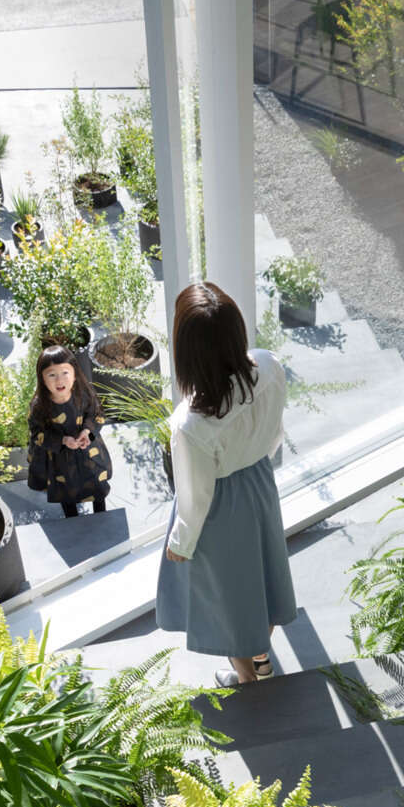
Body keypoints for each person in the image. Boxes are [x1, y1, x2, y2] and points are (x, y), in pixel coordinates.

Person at [155, 282, 297, 685]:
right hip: (259, 484)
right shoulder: (268, 366)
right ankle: (261, 660)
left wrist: (181, 543)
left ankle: (250, 684)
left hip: (219, 511)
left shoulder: (191, 422)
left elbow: (196, 495)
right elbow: (275, 433)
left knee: (229, 604)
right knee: (263, 581)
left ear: (187, 351)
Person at [26, 344, 112, 517]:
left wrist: (87, 432)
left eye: (65, 372)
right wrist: (63, 440)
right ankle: (71, 517)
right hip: (59, 459)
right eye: (52, 375)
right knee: (66, 489)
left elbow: (97, 414)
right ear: (42, 378)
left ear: (74, 374)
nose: (59, 380)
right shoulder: (40, 405)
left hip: (87, 449)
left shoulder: (83, 393)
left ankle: (100, 514)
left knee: (96, 482)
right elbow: (36, 433)